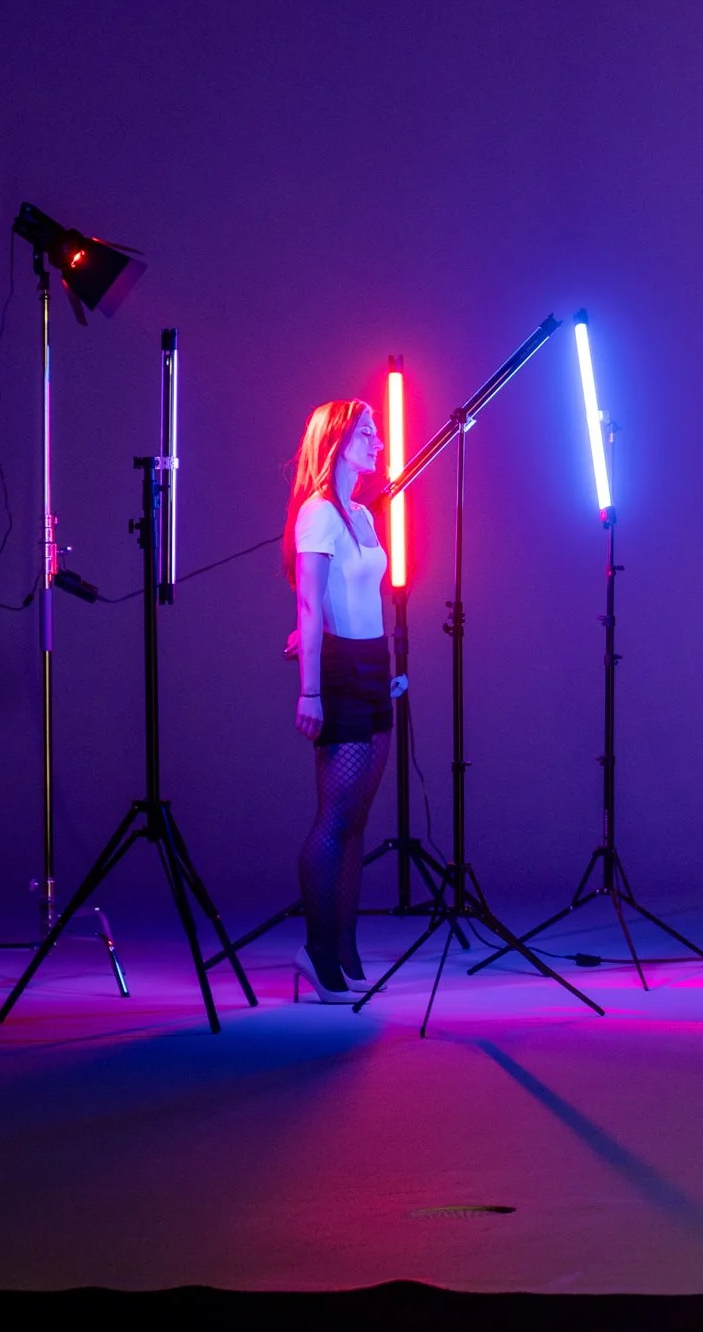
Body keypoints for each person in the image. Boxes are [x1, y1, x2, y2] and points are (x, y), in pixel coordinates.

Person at [284, 400, 404, 1003]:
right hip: (337, 673)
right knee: (334, 820)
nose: (378, 442)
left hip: (373, 665)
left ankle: (348, 948)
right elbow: (308, 603)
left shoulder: (361, 513)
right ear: (335, 442)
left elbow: (347, 592)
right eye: (367, 433)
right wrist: (310, 686)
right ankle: (317, 949)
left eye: (378, 432)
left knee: (358, 821)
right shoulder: (320, 513)